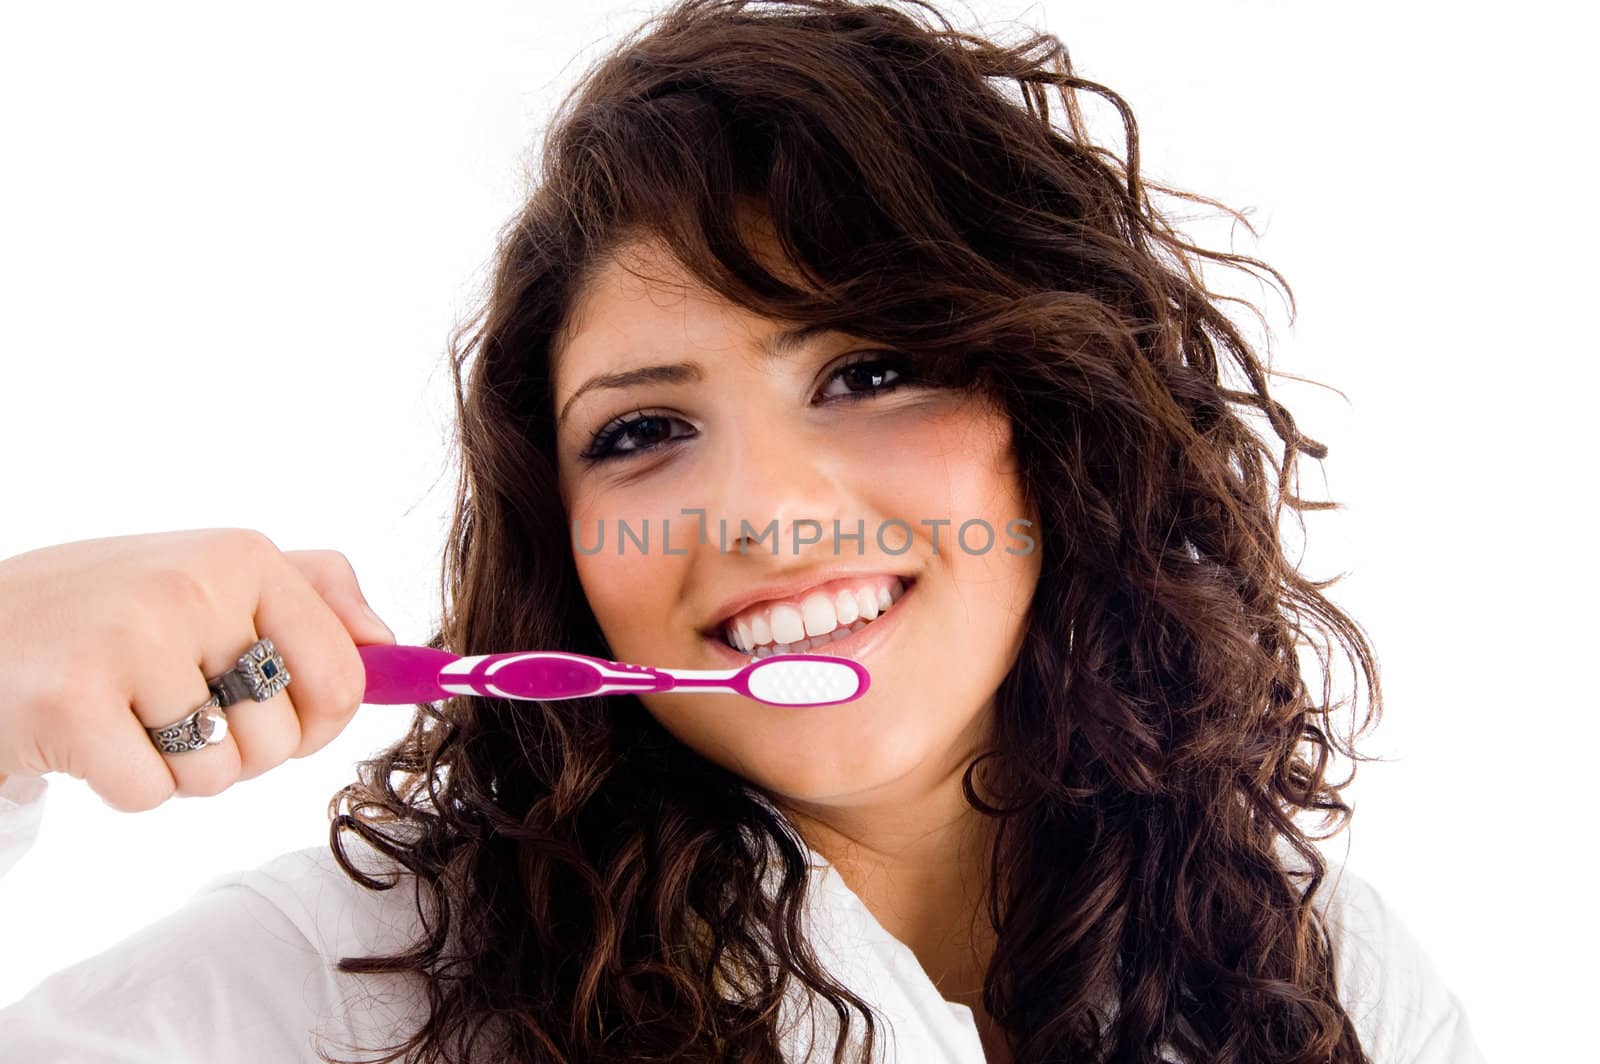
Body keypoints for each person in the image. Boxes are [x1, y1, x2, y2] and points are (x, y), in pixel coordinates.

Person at [0, 1, 1489, 1061]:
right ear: (562, 540)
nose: (769, 513)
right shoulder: (336, 995)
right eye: (643, 433)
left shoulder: (1333, 982)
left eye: (870, 371)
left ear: (1060, 417)